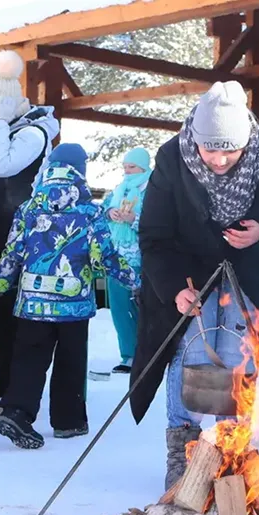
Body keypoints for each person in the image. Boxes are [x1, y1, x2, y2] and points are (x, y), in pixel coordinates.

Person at [129, 81, 259, 490]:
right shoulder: (172, 158)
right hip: (191, 276)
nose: (219, 158)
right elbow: (154, 236)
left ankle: (231, 453)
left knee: (236, 357)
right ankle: (184, 453)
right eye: (210, 149)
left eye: (230, 149)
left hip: (254, 273)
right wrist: (175, 288)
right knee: (192, 355)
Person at [0, 143, 136, 448]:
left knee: (28, 359)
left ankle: (17, 411)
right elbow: (105, 255)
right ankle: (68, 422)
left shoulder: (28, 208)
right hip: (73, 305)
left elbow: (12, 255)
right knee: (70, 362)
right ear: (80, 170)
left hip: (32, 302)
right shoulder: (90, 211)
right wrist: (136, 280)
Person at [0, 49, 61, 419]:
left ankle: (16, 397)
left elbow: (6, 166)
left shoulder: (32, 133)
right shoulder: (10, 132)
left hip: (18, 243)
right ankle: (7, 391)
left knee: (13, 322)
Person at [101, 147, 151, 374]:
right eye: (125, 167)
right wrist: (110, 212)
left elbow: (158, 223)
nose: (127, 172)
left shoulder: (152, 189)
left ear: (143, 166)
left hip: (142, 258)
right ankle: (128, 354)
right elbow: (102, 211)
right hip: (117, 256)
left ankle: (148, 353)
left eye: (132, 167)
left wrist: (134, 219)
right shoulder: (118, 190)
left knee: (143, 307)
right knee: (120, 307)